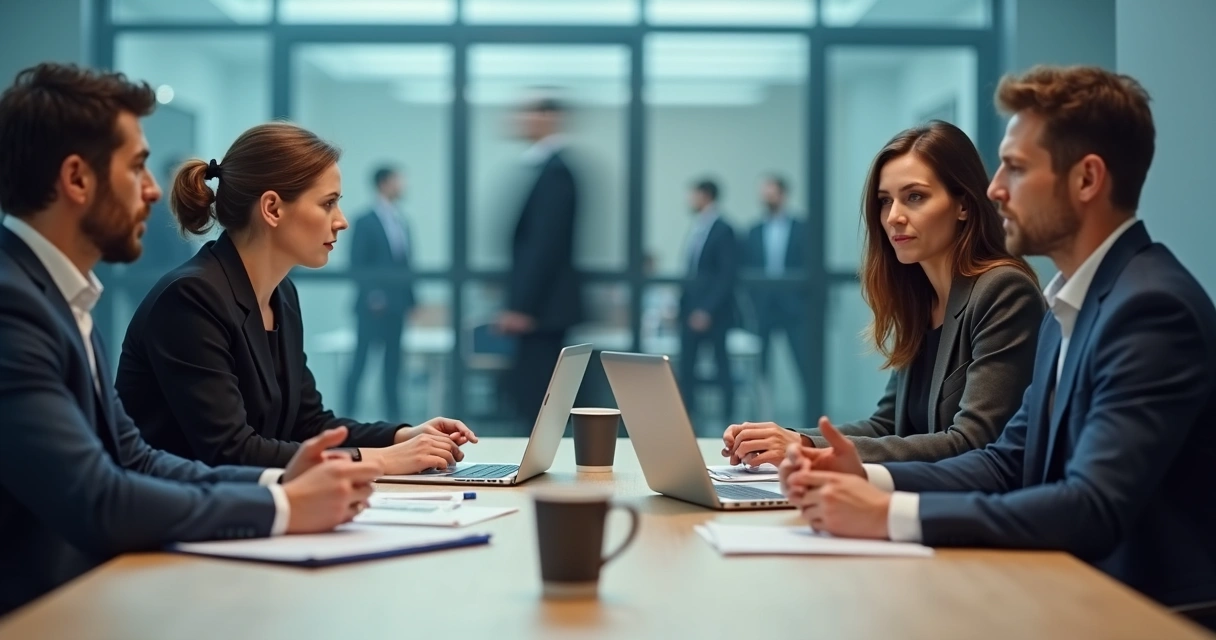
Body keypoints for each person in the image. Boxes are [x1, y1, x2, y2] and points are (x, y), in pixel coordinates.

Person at [779, 66, 1216, 616]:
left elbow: (1093, 505)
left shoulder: (1151, 309)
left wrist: (888, 516)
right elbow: (1005, 462)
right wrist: (862, 475)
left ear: (1086, 179)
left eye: (1015, 167)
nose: (994, 188)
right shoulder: (1074, 303)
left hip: (1143, 612)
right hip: (1068, 586)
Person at [0, 63, 383, 616]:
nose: (154, 190)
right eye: (137, 168)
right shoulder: (15, 308)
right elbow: (99, 498)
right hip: (44, 610)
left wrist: (282, 484)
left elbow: (134, 458)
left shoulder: (61, 298)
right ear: (77, 179)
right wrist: (281, 506)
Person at [114, 122, 477, 475]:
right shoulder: (190, 299)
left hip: (243, 510)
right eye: (328, 204)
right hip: (177, 522)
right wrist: (383, 461)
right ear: (272, 208)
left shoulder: (281, 293)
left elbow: (308, 424)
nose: (342, 221)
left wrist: (402, 437)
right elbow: (231, 450)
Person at [723, 122, 1045, 465]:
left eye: (915, 197)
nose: (893, 217)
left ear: (963, 204)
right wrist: (791, 439)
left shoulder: (1003, 291)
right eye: (884, 201)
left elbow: (973, 443)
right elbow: (889, 424)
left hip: (969, 510)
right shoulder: (924, 297)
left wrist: (805, 448)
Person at [496, 91, 583, 428]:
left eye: (527, 113)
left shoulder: (556, 171)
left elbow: (544, 244)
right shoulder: (546, 168)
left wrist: (522, 306)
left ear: (549, 117)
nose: (520, 120)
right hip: (541, 308)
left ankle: (535, 476)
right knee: (534, 399)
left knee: (537, 402)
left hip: (541, 311)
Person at [343, 165, 415, 422]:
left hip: (397, 306)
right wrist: (373, 295)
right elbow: (357, 263)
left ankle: (394, 420)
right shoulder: (365, 221)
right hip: (372, 306)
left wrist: (412, 300)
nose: (402, 185)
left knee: (393, 365)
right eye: (398, 179)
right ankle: (347, 415)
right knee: (361, 361)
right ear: (384, 183)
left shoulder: (401, 220)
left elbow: (405, 265)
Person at [741, 174, 811, 390]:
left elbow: (809, 265)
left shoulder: (802, 228)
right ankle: (762, 413)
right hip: (763, 305)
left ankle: (814, 416)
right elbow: (747, 267)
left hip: (793, 306)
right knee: (761, 366)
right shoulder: (754, 230)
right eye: (764, 195)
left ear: (783, 195)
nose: (766, 199)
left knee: (804, 363)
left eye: (771, 194)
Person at [679, 178, 739, 425]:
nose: (689, 200)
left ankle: (729, 417)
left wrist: (706, 310)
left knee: (720, 364)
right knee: (687, 366)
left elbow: (726, 276)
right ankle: (687, 415)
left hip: (713, 313)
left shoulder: (724, 229)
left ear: (705, 195)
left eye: (692, 194)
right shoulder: (697, 227)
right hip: (690, 309)